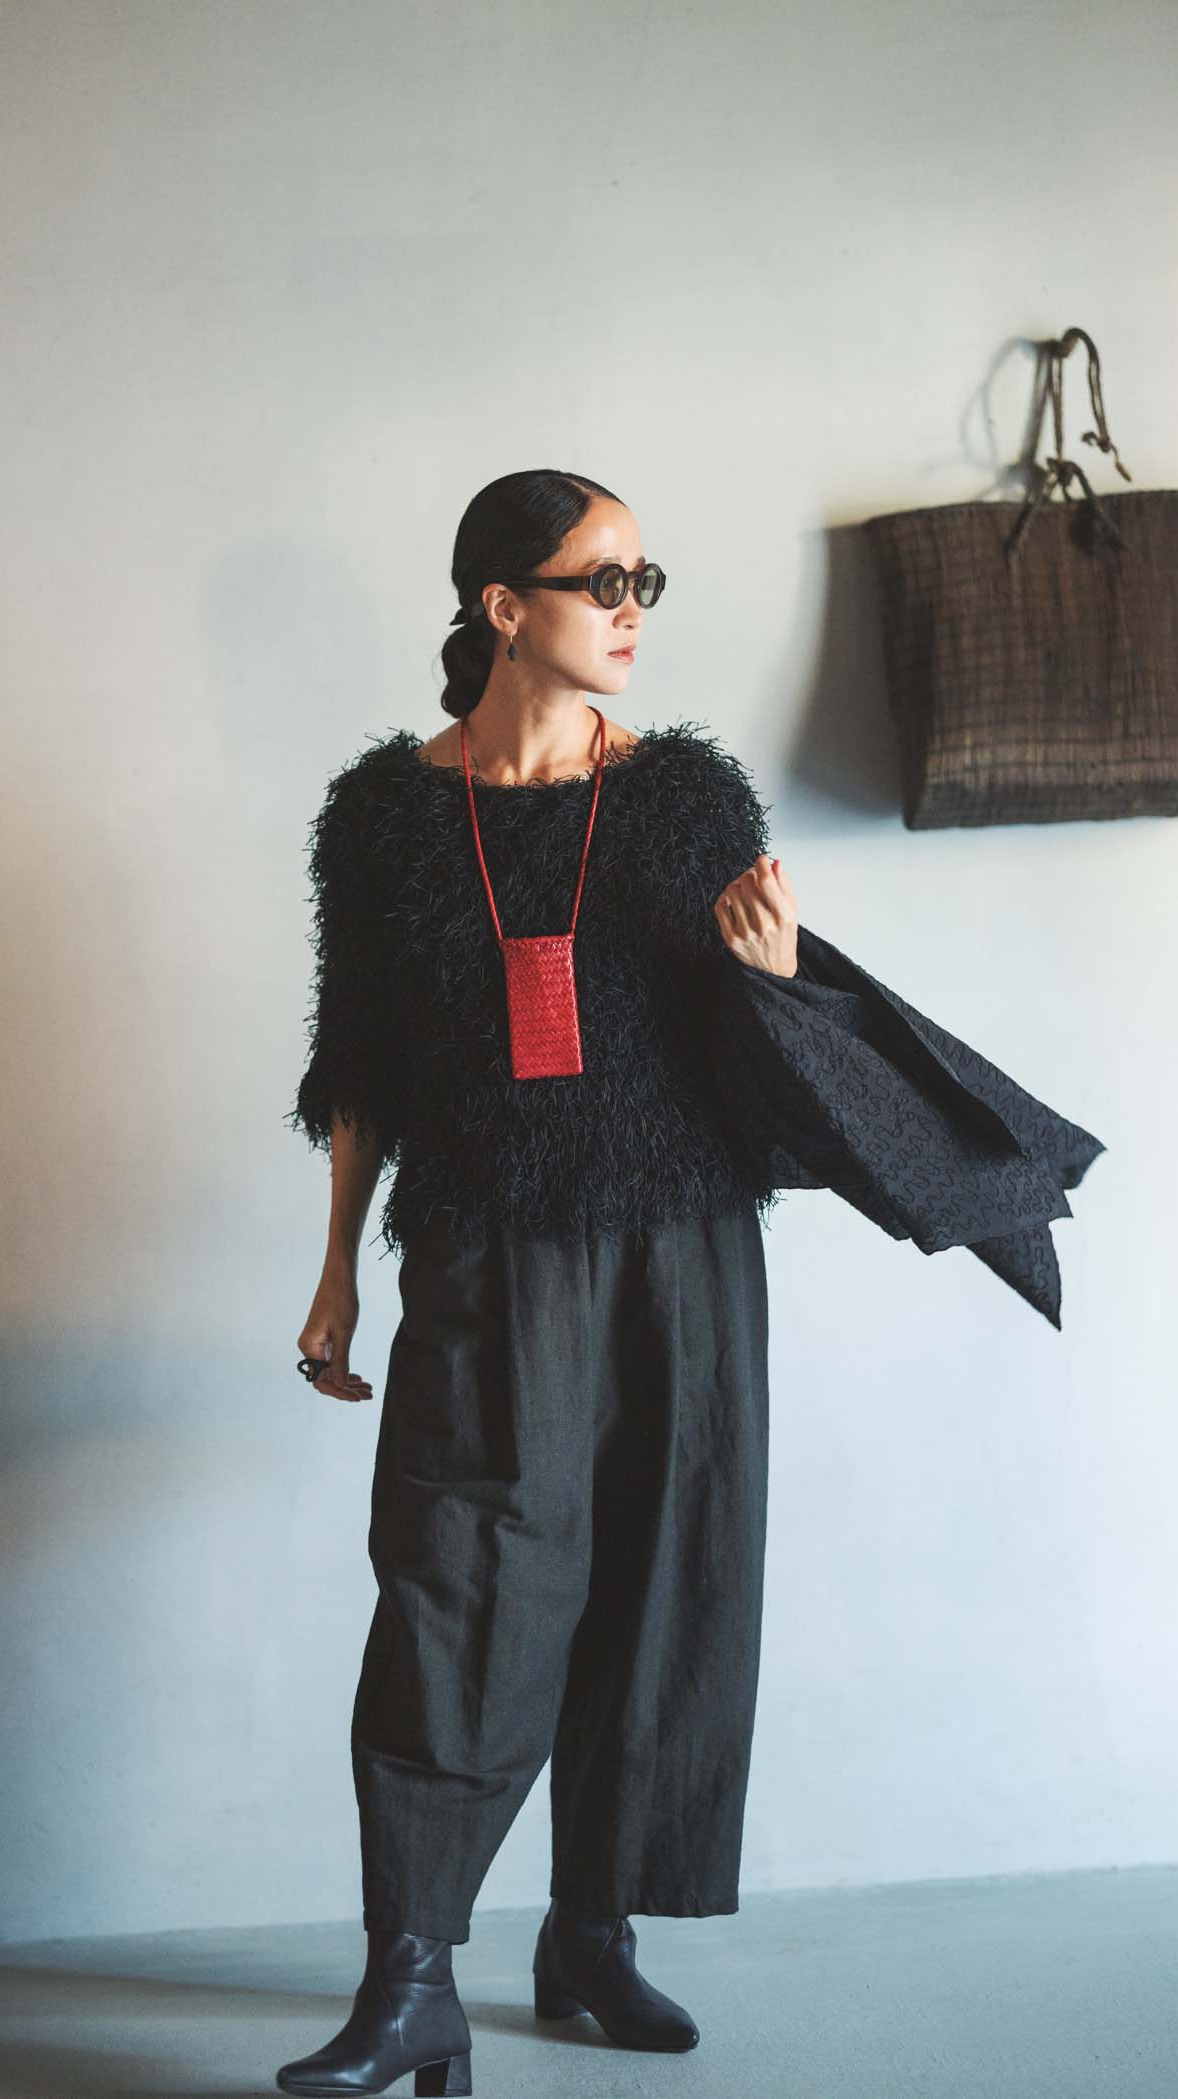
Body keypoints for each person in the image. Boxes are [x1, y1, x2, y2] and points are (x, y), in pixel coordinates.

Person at [275, 469, 1104, 2099]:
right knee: (456, 1589)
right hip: (487, 1248)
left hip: (680, 1247)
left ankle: (591, 1936)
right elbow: (358, 1062)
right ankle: (412, 1978)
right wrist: (335, 1277)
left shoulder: (683, 800)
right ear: (503, 606)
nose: (633, 610)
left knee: (666, 1577)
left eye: (646, 580)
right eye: (603, 580)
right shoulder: (383, 819)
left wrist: (774, 981)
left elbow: (743, 1056)